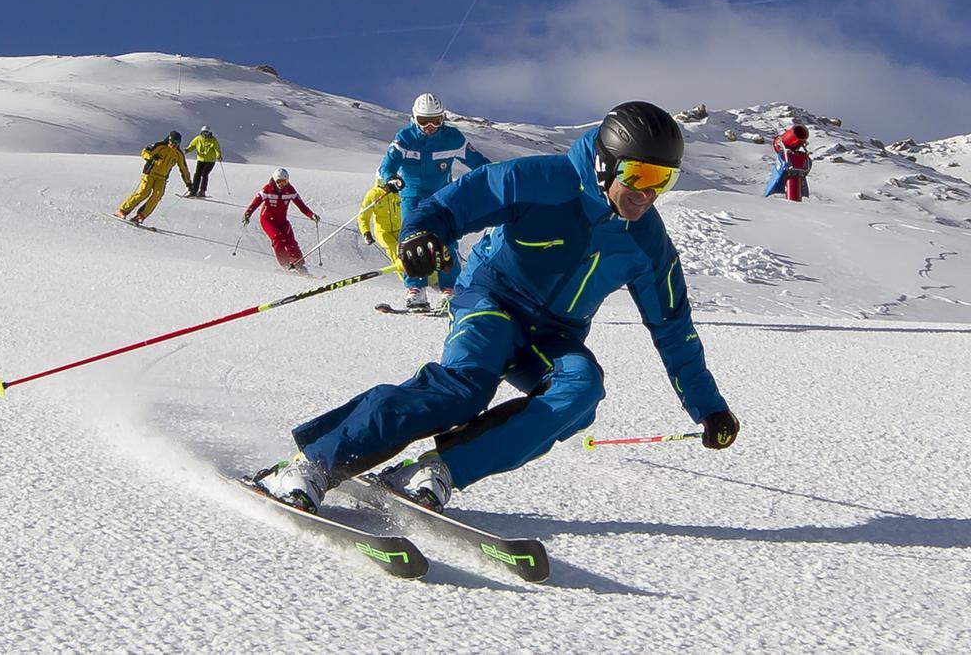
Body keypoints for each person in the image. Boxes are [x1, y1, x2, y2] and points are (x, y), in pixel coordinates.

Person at [251, 101, 740, 513]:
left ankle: (437, 470)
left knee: (581, 391)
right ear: (605, 164)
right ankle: (310, 465)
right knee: (463, 389)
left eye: (664, 180)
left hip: (555, 335)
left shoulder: (647, 244)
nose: (647, 193)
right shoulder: (542, 181)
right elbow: (449, 204)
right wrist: (422, 233)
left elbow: (673, 328)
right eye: (639, 175)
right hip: (492, 299)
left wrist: (708, 408)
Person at [377, 92, 491, 310]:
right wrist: (390, 178)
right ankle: (416, 289)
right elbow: (387, 166)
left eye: (436, 120)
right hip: (412, 195)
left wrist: (495, 176)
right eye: (423, 121)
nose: (430, 126)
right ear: (414, 118)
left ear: (443, 118)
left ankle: (450, 289)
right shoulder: (405, 138)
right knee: (412, 239)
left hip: (442, 195)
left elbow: (479, 162)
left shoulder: (453, 138)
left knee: (446, 239)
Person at [243, 167, 320, 276]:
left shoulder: (290, 190)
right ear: (274, 180)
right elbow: (256, 202)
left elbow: (301, 205)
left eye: (284, 181)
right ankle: (285, 265)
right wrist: (248, 213)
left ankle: (299, 265)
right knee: (277, 238)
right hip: (267, 220)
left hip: (282, 220)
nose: (281, 184)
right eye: (279, 181)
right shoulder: (267, 189)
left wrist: (311, 215)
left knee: (291, 242)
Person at [114, 131, 192, 226]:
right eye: (172, 142)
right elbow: (144, 151)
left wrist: (188, 183)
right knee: (144, 192)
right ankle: (123, 211)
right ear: (169, 139)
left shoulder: (178, 154)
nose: (174, 145)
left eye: (177, 143)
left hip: (162, 178)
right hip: (150, 173)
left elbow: (184, 169)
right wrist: (151, 157)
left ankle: (140, 216)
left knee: (157, 196)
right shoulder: (159, 146)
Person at [356, 175, 406, 283]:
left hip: (399, 229)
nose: (388, 188)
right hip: (383, 232)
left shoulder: (397, 192)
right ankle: (408, 282)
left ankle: (429, 278)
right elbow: (363, 216)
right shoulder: (373, 195)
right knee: (395, 251)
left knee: (409, 249)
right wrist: (366, 232)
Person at [185, 125, 223, 198]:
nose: (205, 135)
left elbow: (217, 149)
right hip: (200, 160)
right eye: (203, 133)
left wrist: (218, 155)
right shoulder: (198, 139)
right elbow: (192, 145)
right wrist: (187, 150)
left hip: (210, 161)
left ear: (210, 133)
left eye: (207, 133)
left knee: (204, 174)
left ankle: (202, 191)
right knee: (197, 174)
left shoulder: (213, 140)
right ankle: (194, 191)